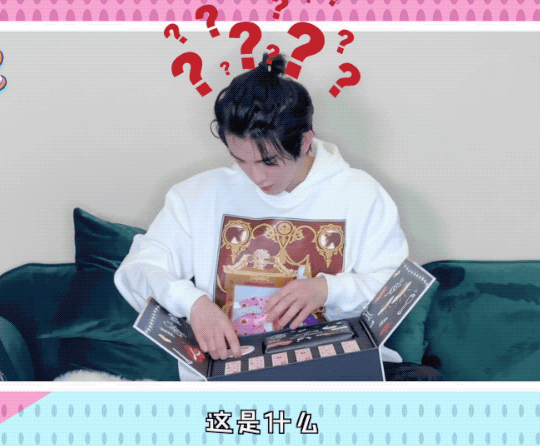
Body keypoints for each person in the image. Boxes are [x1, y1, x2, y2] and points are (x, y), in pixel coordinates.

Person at [114, 53, 440, 381]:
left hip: (336, 374)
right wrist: (193, 304)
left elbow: (395, 287)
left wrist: (326, 289)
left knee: (425, 384)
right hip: (234, 381)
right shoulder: (197, 196)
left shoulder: (360, 194)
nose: (257, 177)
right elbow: (136, 271)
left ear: (304, 141)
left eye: (269, 162)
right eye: (241, 160)